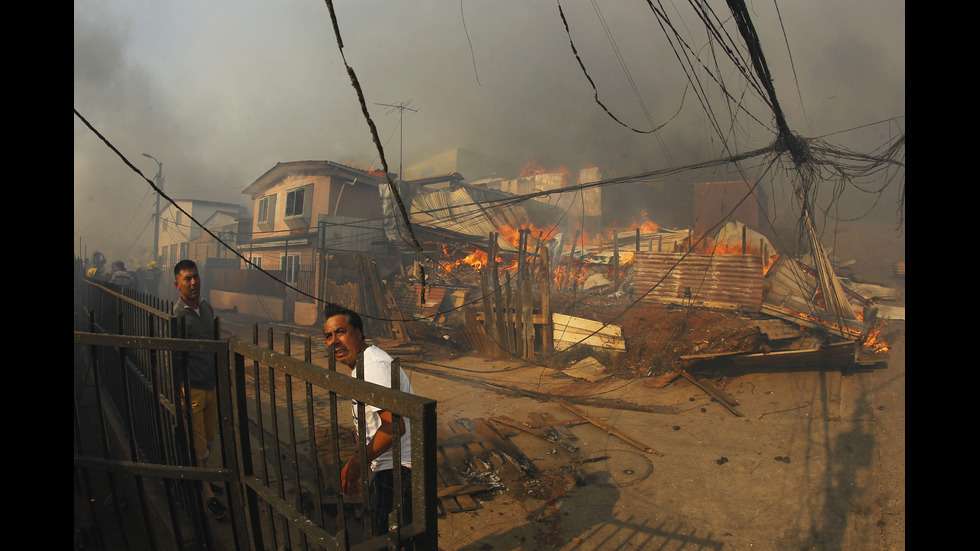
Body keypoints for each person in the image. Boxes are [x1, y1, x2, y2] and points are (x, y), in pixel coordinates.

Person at [322, 303, 414, 541]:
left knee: (383, 537)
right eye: (328, 336)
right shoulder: (364, 364)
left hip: (400, 470)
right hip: (391, 467)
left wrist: (357, 461)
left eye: (340, 332)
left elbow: (395, 426)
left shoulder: (372, 366)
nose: (334, 341)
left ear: (358, 334)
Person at [172, 259, 228, 521]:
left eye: (195, 277)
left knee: (208, 439)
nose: (193, 282)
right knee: (199, 447)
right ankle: (207, 494)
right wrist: (181, 393)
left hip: (210, 385)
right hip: (192, 388)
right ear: (177, 284)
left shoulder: (206, 308)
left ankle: (205, 478)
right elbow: (176, 358)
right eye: (187, 279)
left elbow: (213, 340)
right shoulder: (179, 316)